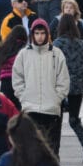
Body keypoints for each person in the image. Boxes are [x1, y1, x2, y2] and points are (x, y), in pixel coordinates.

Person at [11, 19, 69, 154]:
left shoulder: (57, 54)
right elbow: (17, 78)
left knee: (52, 150)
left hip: (52, 109)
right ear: (32, 34)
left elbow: (64, 79)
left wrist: (57, 98)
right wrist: (23, 96)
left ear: (47, 34)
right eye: (37, 33)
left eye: (42, 33)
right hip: (30, 108)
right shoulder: (24, 54)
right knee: (31, 149)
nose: (40, 36)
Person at [52, 13, 83, 163]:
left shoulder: (57, 44)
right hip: (76, 88)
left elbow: (54, 67)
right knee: (75, 120)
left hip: (60, 88)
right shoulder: (81, 43)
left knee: (57, 121)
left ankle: (55, 153)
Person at [0, 25, 28, 110]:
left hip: (5, 84)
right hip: (21, 83)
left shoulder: (2, 49)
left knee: (6, 110)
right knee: (19, 113)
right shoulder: (25, 50)